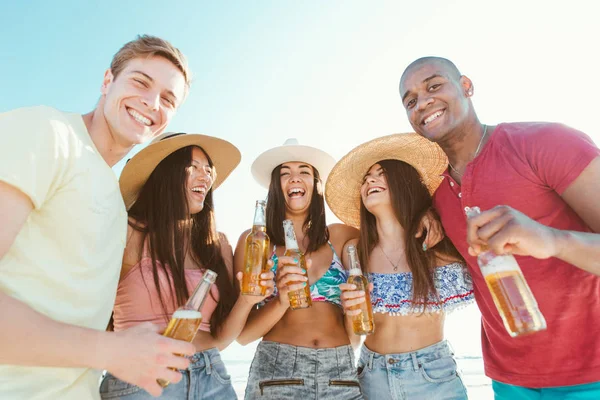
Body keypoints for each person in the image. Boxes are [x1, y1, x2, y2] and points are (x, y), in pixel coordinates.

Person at [0, 35, 195, 399]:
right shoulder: (47, 133)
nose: (151, 102)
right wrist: (113, 351)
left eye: (168, 100)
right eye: (140, 81)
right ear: (107, 81)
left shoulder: (115, 200)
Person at [399, 56, 600, 398]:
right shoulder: (438, 196)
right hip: (508, 380)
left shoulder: (546, 142)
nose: (423, 102)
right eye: (410, 101)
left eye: (434, 86)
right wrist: (424, 212)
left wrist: (552, 240)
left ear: (466, 86)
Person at [100, 131, 265, 399]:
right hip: (142, 380)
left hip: (212, 379)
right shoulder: (127, 232)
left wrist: (247, 301)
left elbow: (221, 338)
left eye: (208, 169)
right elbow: (84, 305)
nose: (207, 176)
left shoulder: (217, 243)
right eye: (193, 167)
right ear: (166, 174)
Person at [326, 133, 474, 400]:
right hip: (370, 379)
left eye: (381, 174)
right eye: (366, 178)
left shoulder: (439, 243)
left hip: (432, 379)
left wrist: (429, 212)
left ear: (403, 182)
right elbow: (352, 341)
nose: (370, 180)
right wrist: (350, 313)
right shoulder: (353, 251)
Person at [235, 138, 363, 399]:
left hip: (340, 373)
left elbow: (356, 335)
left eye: (304, 171)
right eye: (285, 174)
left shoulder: (341, 236)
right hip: (277, 370)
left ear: (317, 185)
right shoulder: (256, 243)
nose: (295, 178)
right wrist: (283, 300)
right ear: (275, 187)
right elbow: (243, 335)